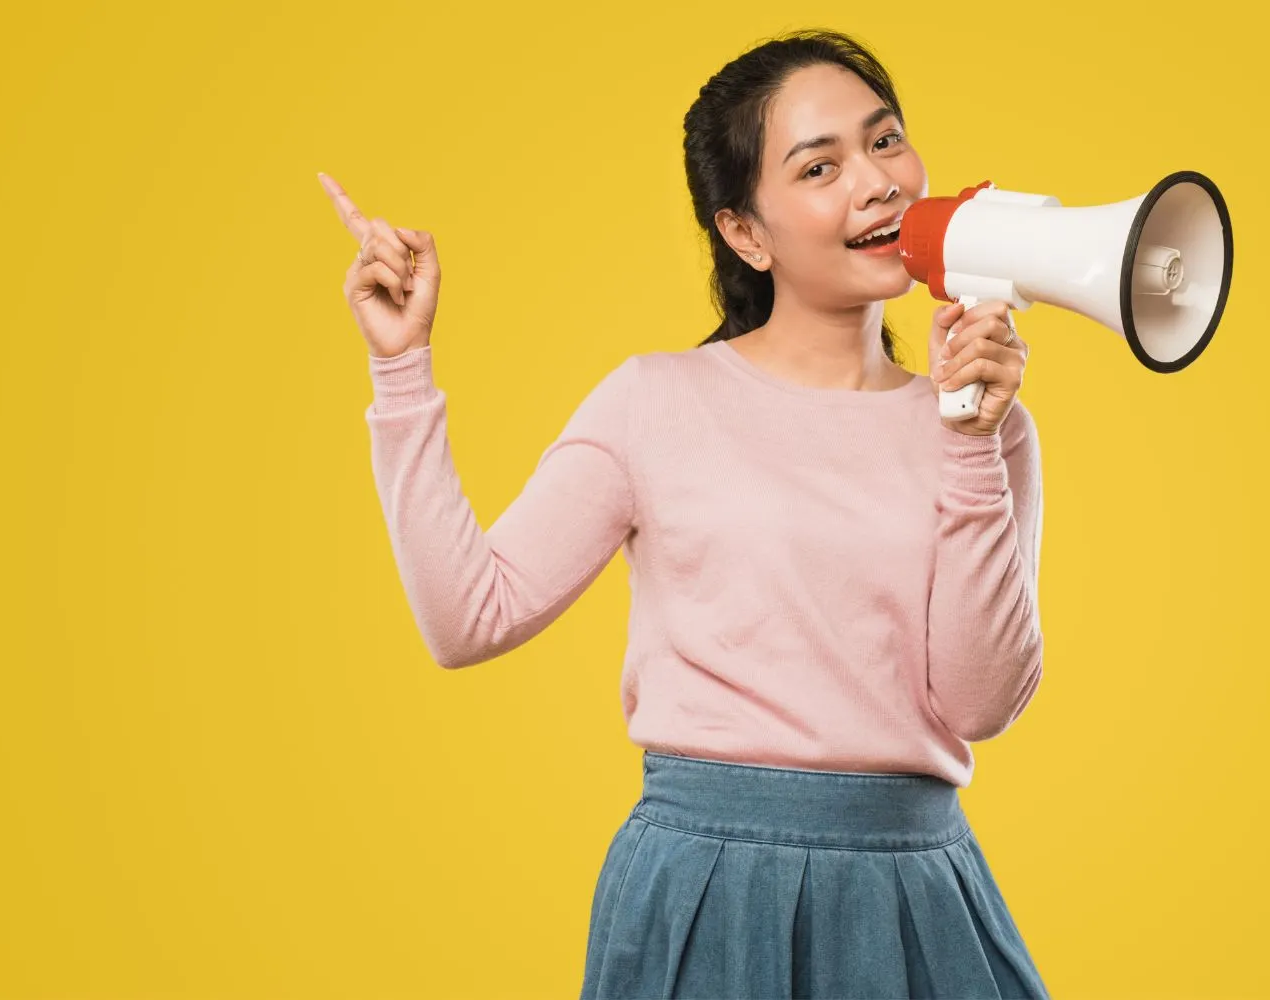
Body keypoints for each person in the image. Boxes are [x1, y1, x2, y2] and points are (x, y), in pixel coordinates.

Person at [318, 27, 1049, 1000]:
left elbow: (979, 704)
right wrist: (401, 369)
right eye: (818, 165)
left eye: (885, 141)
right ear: (745, 231)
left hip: (915, 889)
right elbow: (468, 617)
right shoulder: (653, 402)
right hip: (709, 891)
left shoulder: (989, 425)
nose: (878, 182)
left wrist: (966, 437)